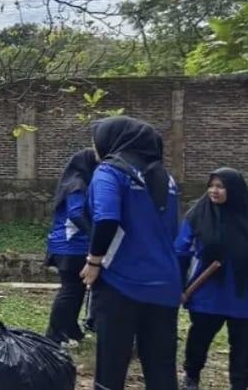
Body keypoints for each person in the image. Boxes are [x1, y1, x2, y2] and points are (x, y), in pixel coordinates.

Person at [80, 115, 181, 390]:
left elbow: (106, 218)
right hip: (165, 283)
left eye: (95, 140)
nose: (94, 146)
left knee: (111, 366)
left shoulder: (110, 172)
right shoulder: (166, 178)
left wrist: (93, 261)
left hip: (121, 283)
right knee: (161, 368)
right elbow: (172, 229)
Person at [176, 168, 248, 390]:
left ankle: (239, 384)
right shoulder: (197, 216)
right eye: (211, 186)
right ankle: (191, 377)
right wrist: (179, 286)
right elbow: (181, 252)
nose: (214, 191)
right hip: (208, 293)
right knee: (199, 339)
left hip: (245, 295)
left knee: (244, 347)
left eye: (220, 186)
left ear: (234, 190)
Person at [44, 148, 98, 345]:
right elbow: (75, 213)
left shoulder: (75, 183)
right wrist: (95, 234)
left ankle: (71, 329)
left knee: (78, 289)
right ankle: (54, 333)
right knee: (70, 290)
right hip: (70, 245)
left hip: (70, 245)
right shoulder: (76, 185)